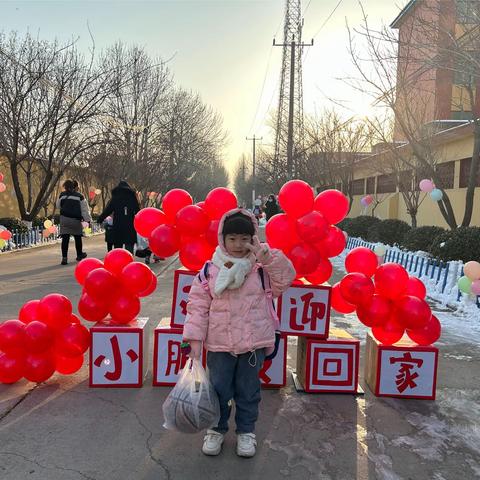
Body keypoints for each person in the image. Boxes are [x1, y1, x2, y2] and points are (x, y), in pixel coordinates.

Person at [182, 209, 295, 458]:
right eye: (232, 238)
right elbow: (197, 306)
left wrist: (268, 257)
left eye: (244, 238)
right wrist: (194, 339)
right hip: (220, 344)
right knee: (218, 388)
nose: (238, 244)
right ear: (223, 238)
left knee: (248, 390)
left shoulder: (261, 268)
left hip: (253, 343)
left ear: (253, 238)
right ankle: (216, 429)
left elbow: (286, 279)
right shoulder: (210, 270)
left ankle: (246, 432)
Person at [97, 180, 140, 253]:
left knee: (118, 247)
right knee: (129, 246)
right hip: (130, 225)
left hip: (118, 225)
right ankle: (129, 261)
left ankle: (119, 262)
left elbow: (108, 210)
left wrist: (100, 219)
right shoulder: (132, 197)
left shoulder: (115, 198)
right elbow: (137, 211)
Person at [57, 179, 91, 265]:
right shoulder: (80, 196)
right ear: (74, 187)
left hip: (64, 219)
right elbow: (84, 210)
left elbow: (58, 205)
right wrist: (87, 220)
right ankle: (79, 255)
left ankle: (64, 258)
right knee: (77, 237)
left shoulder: (62, 195)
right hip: (75, 219)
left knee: (65, 238)